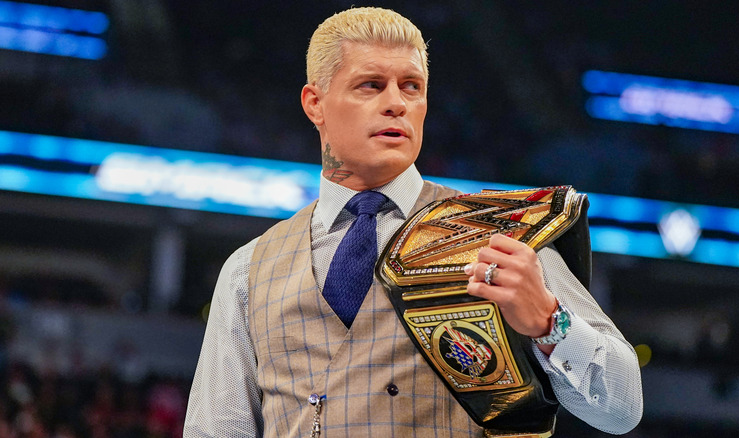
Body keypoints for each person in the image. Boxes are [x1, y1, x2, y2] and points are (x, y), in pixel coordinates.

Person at [184, 7, 643, 437]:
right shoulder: (248, 270)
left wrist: (549, 323)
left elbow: (623, 409)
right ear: (315, 103)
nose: (396, 103)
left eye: (411, 87)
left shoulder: (497, 233)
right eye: (370, 85)